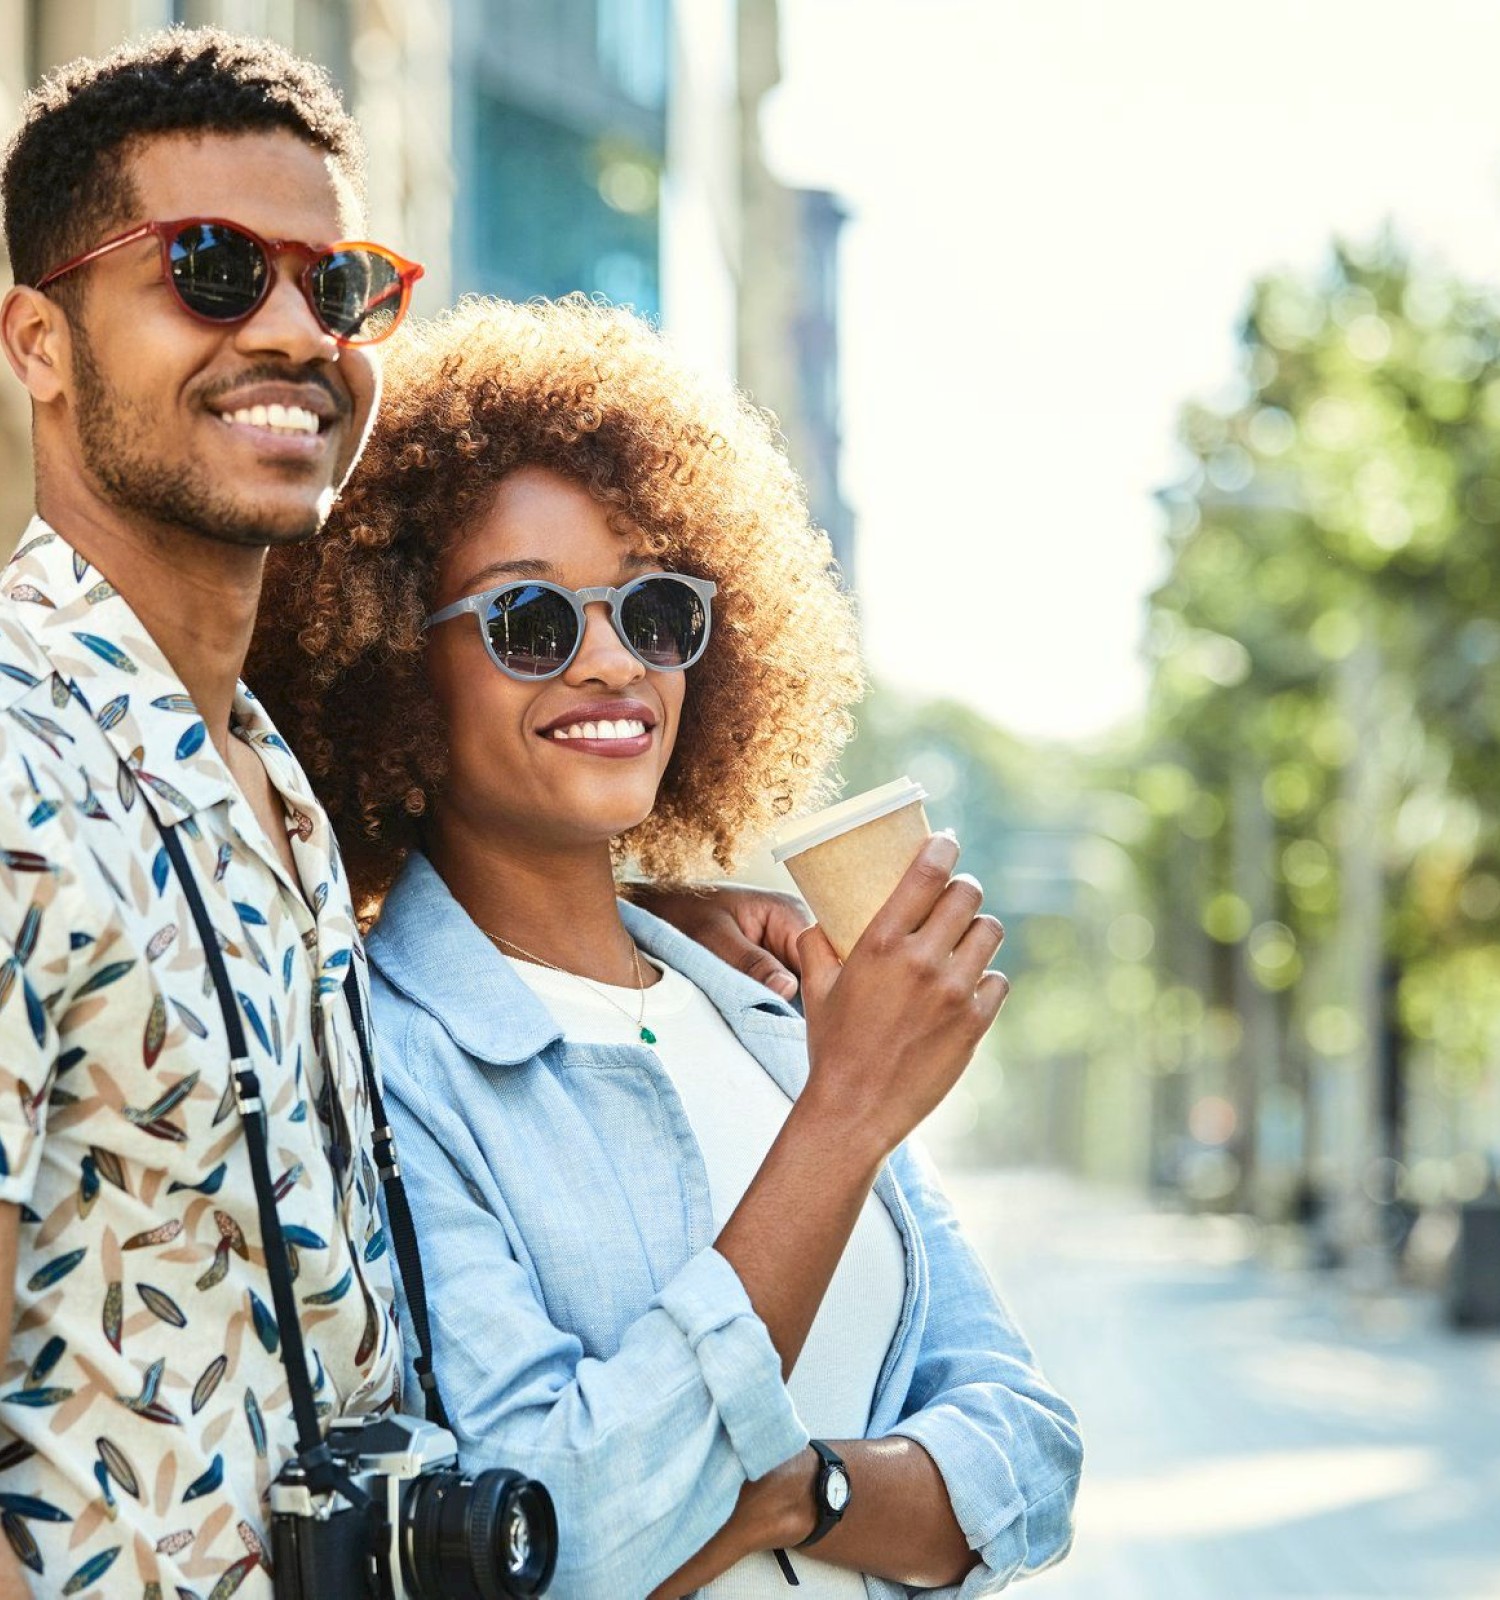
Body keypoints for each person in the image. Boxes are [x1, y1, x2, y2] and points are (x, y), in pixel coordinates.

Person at [0, 30, 819, 1597]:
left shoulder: (278, 794)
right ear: (40, 339)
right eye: (214, 267)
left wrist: (655, 928)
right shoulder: (15, 764)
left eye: (340, 283)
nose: (296, 330)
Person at [250, 296, 1083, 1597]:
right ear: (392, 665)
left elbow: (1030, 1458)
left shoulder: (764, 1005)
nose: (610, 664)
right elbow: (563, 1536)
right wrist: (846, 1113)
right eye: (531, 621)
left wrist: (791, 1491)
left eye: (653, 613)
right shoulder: (383, 1059)